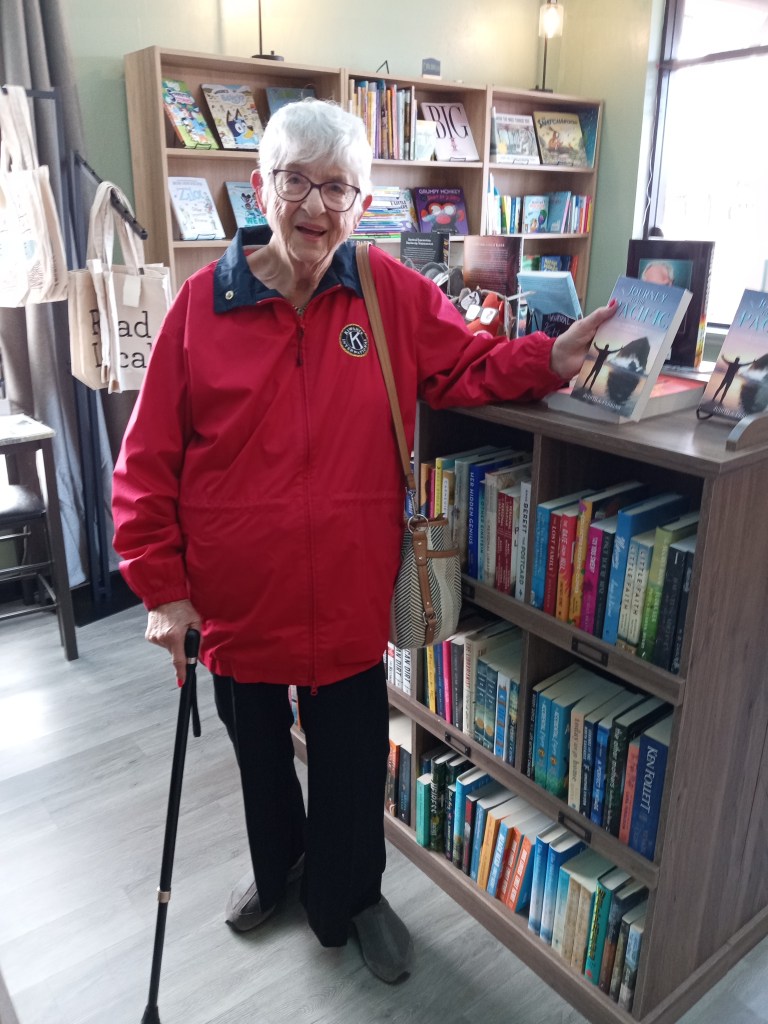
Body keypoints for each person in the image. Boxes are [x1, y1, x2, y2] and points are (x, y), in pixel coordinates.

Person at [112, 99, 616, 985]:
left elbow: (464, 366)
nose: (316, 205)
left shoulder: (386, 293)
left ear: (363, 200)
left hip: (348, 597)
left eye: (338, 188)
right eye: (297, 181)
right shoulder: (200, 308)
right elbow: (145, 464)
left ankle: (351, 894)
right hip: (237, 605)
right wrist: (163, 589)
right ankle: (281, 872)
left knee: (350, 762)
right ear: (260, 187)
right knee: (259, 754)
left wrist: (550, 361)